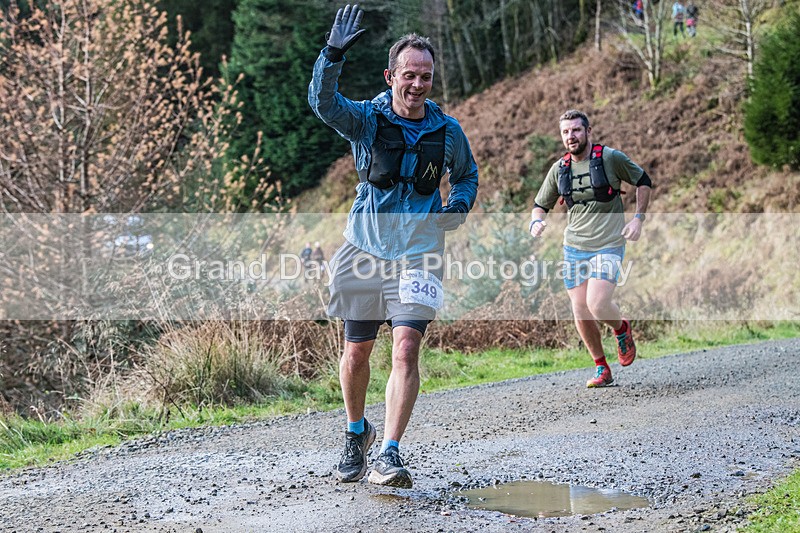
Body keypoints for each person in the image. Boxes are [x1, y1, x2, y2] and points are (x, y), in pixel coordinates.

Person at [308, 4, 478, 488]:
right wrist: (332, 55)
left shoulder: (447, 131)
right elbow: (323, 103)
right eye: (409, 75)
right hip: (364, 249)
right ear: (391, 76)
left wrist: (457, 206)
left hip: (420, 251)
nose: (418, 84)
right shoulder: (366, 120)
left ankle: (389, 453)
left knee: (405, 349)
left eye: (426, 76)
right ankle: (356, 432)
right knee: (356, 353)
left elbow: (466, 175)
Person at [529, 110, 652, 388]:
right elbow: (540, 205)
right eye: (565, 132)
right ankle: (602, 368)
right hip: (574, 247)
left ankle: (621, 327)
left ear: (588, 131)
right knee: (580, 309)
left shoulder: (610, 158)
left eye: (576, 130)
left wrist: (638, 219)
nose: (571, 136)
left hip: (609, 243)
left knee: (597, 304)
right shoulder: (559, 168)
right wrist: (536, 222)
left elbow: (643, 181)